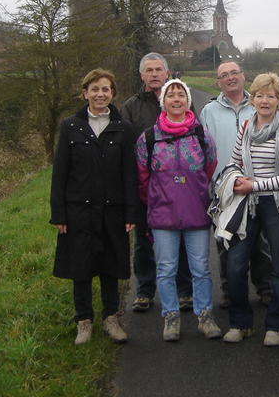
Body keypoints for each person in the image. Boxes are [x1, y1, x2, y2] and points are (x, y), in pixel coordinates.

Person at [50, 69, 136, 345]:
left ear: (113, 94)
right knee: (81, 266)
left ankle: (111, 318)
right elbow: (60, 173)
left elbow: (129, 174)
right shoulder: (70, 126)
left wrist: (131, 212)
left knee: (111, 266)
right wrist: (59, 214)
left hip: (113, 211)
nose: (101, 94)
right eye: (95, 89)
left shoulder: (124, 129)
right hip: (78, 211)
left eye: (106, 89)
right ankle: (83, 321)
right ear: (84, 93)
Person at [136, 78, 222, 341]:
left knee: (200, 268)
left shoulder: (201, 135)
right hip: (163, 216)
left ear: (187, 101)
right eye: (171, 95)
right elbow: (142, 177)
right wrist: (160, 197)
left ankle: (205, 315)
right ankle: (170, 317)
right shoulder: (148, 138)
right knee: (166, 268)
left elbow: (210, 167)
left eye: (181, 95)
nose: (176, 100)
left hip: (196, 212)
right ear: (163, 101)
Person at [222, 73, 279, 347]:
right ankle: (240, 323)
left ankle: (276, 326)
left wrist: (255, 184)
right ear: (252, 99)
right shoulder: (245, 128)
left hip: (275, 205)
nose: (264, 100)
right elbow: (234, 163)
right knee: (235, 264)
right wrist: (235, 180)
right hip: (247, 203)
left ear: (278, 100)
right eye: (259, 95)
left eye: (270, 95)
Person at [121, 53, 194, 312]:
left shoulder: (179, 100)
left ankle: (185, 291)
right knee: (143, 240)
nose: (154, 74)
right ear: (142, 75)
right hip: (145, 186)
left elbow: (195, 139)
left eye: (158, 69)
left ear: (167, 73)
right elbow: (125, 147)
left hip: (177, 185)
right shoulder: (130, 107)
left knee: (182, 236)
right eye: (149, 70)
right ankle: (144, 291)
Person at [199, 61, 272, 308]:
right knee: (225, 241)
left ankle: (265, 288)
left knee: (260, 242)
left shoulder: (258, 105)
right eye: (224, 75)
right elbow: (203, 149)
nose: (230, 78)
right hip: (223, 189)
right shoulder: (209, 111)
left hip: (256, 184)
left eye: (234, 73)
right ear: (218, 82)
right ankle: (230, 291)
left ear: (244, 76)